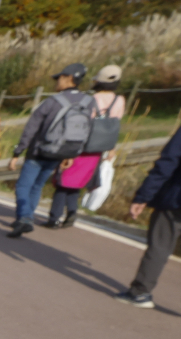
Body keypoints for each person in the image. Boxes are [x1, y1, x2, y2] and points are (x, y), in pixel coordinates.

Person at [6, 63, 94, 238]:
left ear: (69, 78)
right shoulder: (88, 101)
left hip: (39, 150)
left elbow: (31, 128)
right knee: (37, 186)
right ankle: (27, 217)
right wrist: (71, 154)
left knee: (23, 185)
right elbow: (87, 129)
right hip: (62, 151)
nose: (56, 82)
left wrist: (18, 152)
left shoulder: (53, 101)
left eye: (59, 78)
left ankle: (24, 218)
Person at [47, 65, 126, 228]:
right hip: (99, 148)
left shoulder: (91, 99)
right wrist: (111, 148)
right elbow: (116, 124)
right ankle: (72, 210)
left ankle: (55, 216)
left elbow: (81, 123)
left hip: (81, 145)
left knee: (63, 180)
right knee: (77, 181)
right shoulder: (120, 100)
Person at [113, 124, 181, 308]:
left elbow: (168, 162)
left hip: (176, 199)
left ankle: (140, 292)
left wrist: (144, 195)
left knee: (160, 245)